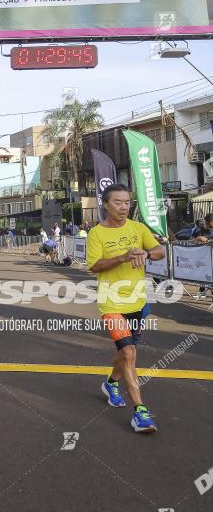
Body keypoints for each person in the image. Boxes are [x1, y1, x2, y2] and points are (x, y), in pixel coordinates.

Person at [86, 183, 165, 433]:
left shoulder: (138, 228)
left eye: (127, 202)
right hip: (111, 303)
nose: (124, 207)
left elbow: (160, 250)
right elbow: (94, 266)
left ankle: (111, 383)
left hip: (138, 303)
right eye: (118, 202)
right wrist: (123, 257)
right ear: (106, 205)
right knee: (129, 352)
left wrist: (148, 255)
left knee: (125, 354)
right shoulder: (96, 234)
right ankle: (140, 413)